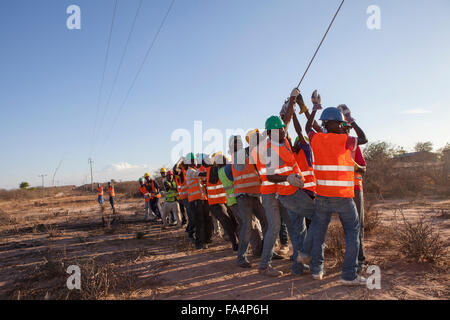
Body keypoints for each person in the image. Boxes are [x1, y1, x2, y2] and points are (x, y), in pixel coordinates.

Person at [303, 90, 368, 285]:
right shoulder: (345, 141)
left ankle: (317, 270)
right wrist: (351, 119)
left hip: (322, 196)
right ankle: (349, 274)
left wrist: (314, 109)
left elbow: (307, 127)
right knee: (352, 232)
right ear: (338, 123)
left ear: (324, 124)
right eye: (341, 123)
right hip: (343, 197)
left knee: (320, 234)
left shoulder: (317, 139)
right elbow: (363, 138)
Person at [247, 127, 290, 277]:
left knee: (282, 225)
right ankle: (264, 265)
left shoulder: (257, 151)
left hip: (274, 193)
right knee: (274, 227)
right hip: (270, 193)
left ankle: (296, 258)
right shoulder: (258, 151)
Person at [230, 135, 267, 269]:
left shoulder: (249, 155)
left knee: (266, 222)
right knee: (247, 226)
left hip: (255, 195)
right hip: (243, 196)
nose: (237, 144)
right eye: (235, 143)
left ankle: (268, 251)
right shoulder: (237, 156)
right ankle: (241, 258)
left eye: (238, 142)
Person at [218, 154, 264, 258]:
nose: (226, 159)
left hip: (231, 202)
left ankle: (248, 249)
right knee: (251, 225)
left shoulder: (220, 171)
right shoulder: (228, 168)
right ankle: (257, 251)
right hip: (238, 200)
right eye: (224, 158)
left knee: (245, 225)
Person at [340, 116, 367, 271]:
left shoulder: (354, 145)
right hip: (341, 191)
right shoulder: (333, 144)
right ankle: (353, 260)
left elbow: (364, 169)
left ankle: (360, 259)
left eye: (347, 128)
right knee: (348, 227)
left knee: (359, 226)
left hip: (355, 189)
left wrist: (356, 166)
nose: (346, 131)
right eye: (344, 127)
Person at [206, 154, 239, 251]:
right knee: (229, 224)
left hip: (223, 202)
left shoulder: (216, 170)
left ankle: (237, 243)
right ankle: (235, 244)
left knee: (232, 223)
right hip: (217, 204)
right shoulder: (214, 170)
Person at [184, 152, 213, 249]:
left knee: (206, 219)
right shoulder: (190, 171)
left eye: (194, 160)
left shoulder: (194, 171)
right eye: (192, 160)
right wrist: (211, 168)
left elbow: (203, 179)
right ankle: (199, 243)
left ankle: (206, 240)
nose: (194, 162)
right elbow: (202, 174)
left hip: (201, 199)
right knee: (199, 221)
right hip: (195, 200)